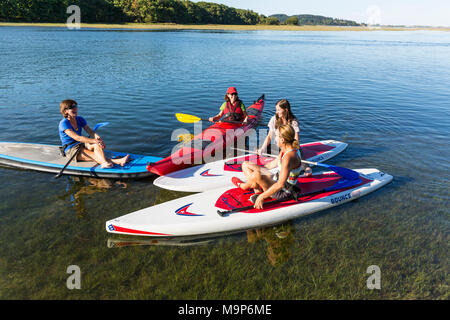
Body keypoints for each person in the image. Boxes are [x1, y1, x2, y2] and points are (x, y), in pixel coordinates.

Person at [231, 124, 304, 209]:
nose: (274, 138)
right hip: (275, 179)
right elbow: (272, 164)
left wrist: (262, 196)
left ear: (282, 140)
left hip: (283, 191)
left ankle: (244, 186)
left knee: (256, 175)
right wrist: (260, 170)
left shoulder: (289, 157)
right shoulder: (286, 148)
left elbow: (280, 184)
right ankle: (256, 187)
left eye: (276, 136)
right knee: (246, 165)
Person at [58, 99, 129, 169]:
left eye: (76, 106)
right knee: (95, 155)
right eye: (72, 107)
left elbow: (90, 131)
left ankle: (108, 161)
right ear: (65, 111)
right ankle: (114, 162)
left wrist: (99, 140)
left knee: (97, 144)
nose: (75, 109)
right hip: (71, 149)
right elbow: (77, 138)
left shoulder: (79, 119)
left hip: (81, 144)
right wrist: (93, 140)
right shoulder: (64, 123)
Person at [257, 99, 311, 176]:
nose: (276, 112)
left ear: (286, 110)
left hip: (289, 147)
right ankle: (263, 163)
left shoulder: (293, 121)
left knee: (297, 151)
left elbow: (296, 140)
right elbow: (269, 136)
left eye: (279, 110)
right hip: (278, 145)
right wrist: (262, 148)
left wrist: (288, 150)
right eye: (276, 110)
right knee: (263, 148)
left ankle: (307, 167)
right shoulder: (274, 119)